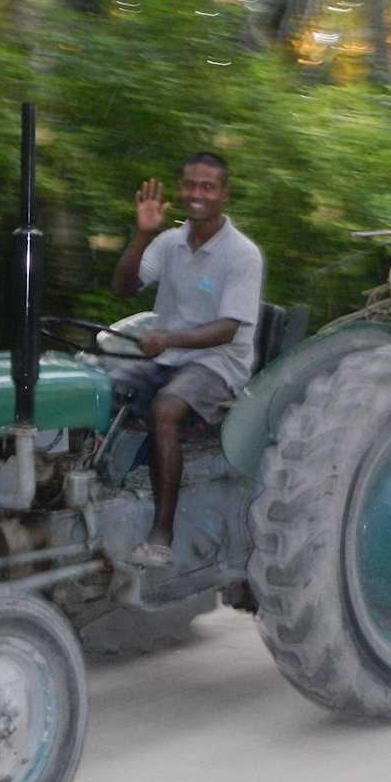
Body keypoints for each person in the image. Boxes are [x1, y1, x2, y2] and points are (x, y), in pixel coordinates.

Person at [110, 152, 264, 568]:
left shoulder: (242, 254)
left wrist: (168, 339)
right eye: (191, 185)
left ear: (224, 194)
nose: (197, 194)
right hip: (168, 357)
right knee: (101, 387)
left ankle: (162, 535)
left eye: (208, 187)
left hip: (218, 362)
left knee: (165, 410)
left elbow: (228, 329)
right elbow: (123, 288)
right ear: (181, 190)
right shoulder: (169, 243)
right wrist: (142, 235)